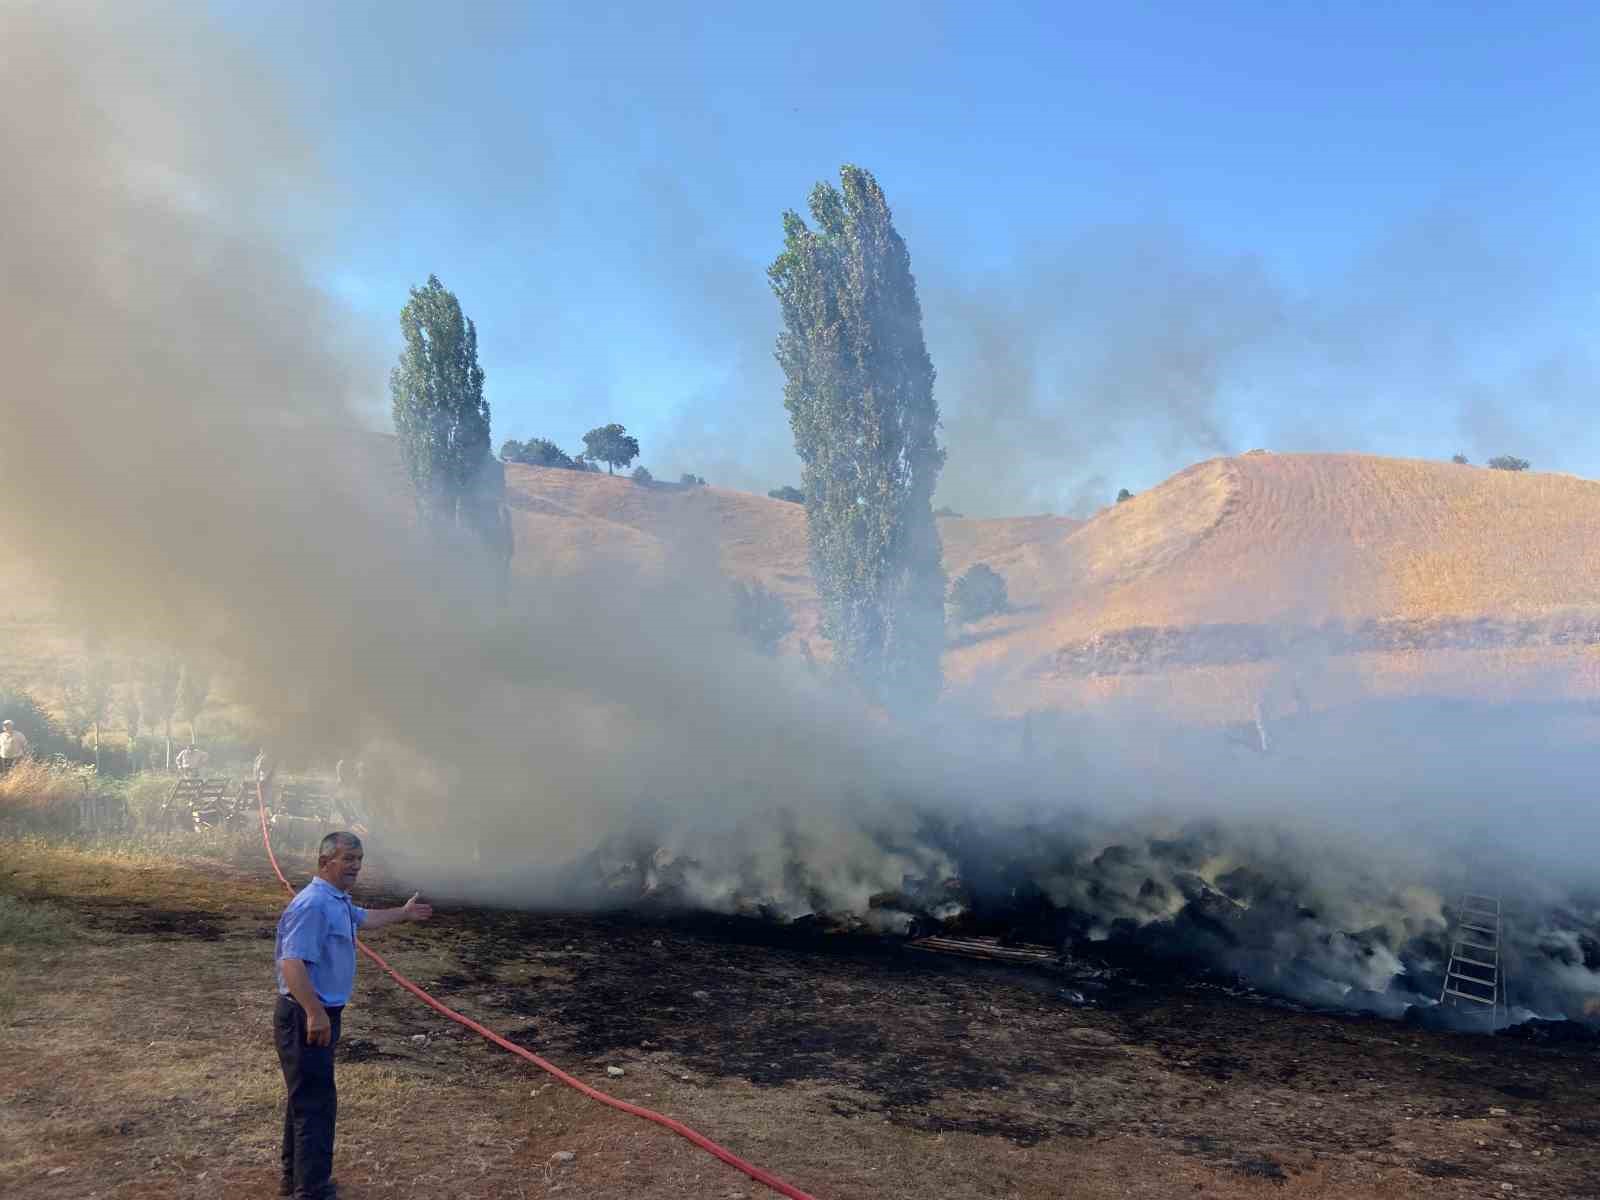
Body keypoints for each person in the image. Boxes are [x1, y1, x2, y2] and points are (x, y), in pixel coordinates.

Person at [274, 831, 432, 1199]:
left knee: (305, 1098)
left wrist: (403, 914)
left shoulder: (337, 900)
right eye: (348, 859)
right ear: (325, 861)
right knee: (316, 1102)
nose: (356, 866)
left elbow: (365, 918)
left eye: (359, 859)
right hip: (305, 1014)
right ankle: (312, 1190)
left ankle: (295, 1180)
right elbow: (292, 963)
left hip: (319, 1012)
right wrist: (315, 1013)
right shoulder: (312, 904)